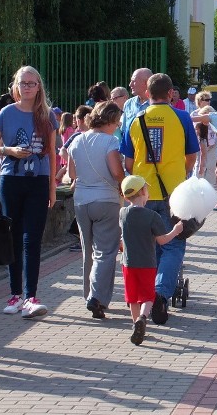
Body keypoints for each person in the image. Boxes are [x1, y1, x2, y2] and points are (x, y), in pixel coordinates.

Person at [120, 73, 199, 324]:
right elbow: (192, 156)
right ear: (171, 94)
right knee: (174, 244)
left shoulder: (135, 119)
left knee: (150, 247)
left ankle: (147, 298)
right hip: (173, 195)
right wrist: (180, 173)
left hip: (142, 194)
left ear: (148, 93)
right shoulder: (182, 117)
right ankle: (161, 294)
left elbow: (129, 162)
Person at [0, 66, 58, 318]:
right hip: (11, 180)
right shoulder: (7, 112)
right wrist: (10, 151)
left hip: (38, 181)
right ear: (15, 86)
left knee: (32, 240)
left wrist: (52, 189)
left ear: (39, 86)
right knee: (14, 238)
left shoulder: (47, 115)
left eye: (32, 83)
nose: (27, 87)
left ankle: (31, 296)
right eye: (23, 83)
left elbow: (52, 153)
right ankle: (15, 294)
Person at [66, 101, 125, 319]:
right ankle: (97, 297)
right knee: (106, 251)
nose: (117, 126)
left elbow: (72, 174)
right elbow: (117, 173)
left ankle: (88, 294)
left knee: (87, 250)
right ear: (110, 121)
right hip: (106, 200)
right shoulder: (110, 141)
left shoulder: (76, 140)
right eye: (117, 122)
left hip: (81, 200)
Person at [118, 175, 184, 345]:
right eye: (146, 190)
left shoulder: (123, 213)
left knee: (132, 297)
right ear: (142, 192)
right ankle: (142, 317)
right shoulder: (152, 216)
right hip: (147, 263)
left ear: (126, 196)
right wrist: (175, 231)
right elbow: (162, 240)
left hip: (128, 263)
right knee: (147, 296)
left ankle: (135, 324)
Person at [119, 67, 152, 138]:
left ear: (146, 83)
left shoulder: (157, 104)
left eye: (133, 81)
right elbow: (124, 131)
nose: (130, 85)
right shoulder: (128, 104)